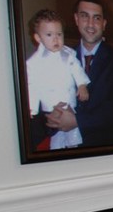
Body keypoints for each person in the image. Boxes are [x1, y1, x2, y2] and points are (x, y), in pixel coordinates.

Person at [44, 0, 113, 147]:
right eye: (85, 16)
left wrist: (77, 121)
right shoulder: (60, 57)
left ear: (104, 24)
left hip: (105, 146)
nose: (91, 24)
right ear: (76, 19)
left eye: (96, 18)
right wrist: (55, 119)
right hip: (65, 146)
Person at [26, 9, 89, 150]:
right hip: (50, 107)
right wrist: (31, 108)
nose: (56, 39)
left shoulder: (68, 55)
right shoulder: (34, 63)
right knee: (55, 141)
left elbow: (77, 70)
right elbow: (32, 85)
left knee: (73, 138)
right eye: (49, 35)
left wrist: (82, 85)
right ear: (38, 38)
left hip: (69, 105)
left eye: (59, 34)